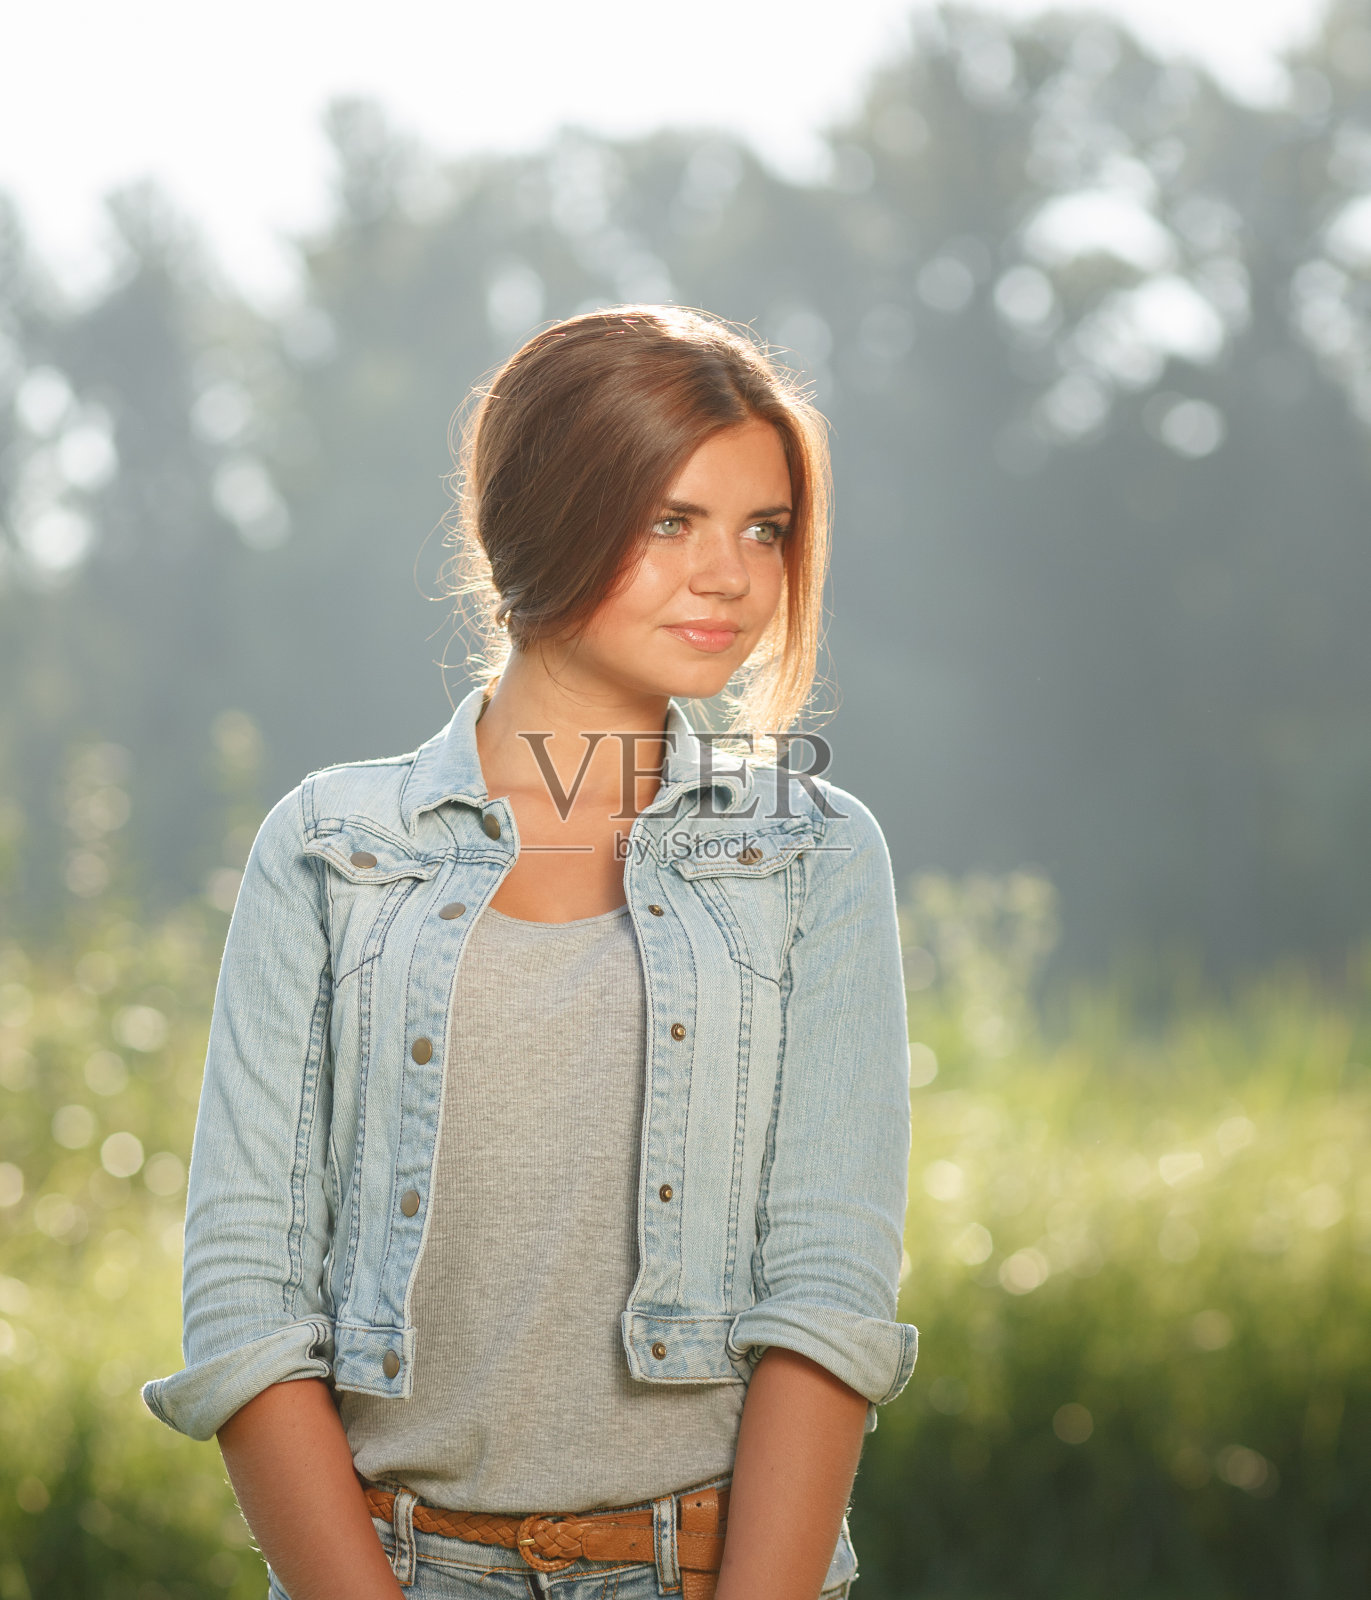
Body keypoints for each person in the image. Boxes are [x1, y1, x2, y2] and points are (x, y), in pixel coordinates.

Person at [142, 305, 916, 1600]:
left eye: (764, 528)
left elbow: (826, 1300)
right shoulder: (330, 847)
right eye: (672, 520)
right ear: (545, 515)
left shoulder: (811, 854)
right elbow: (246, 1307)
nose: (731, 574)